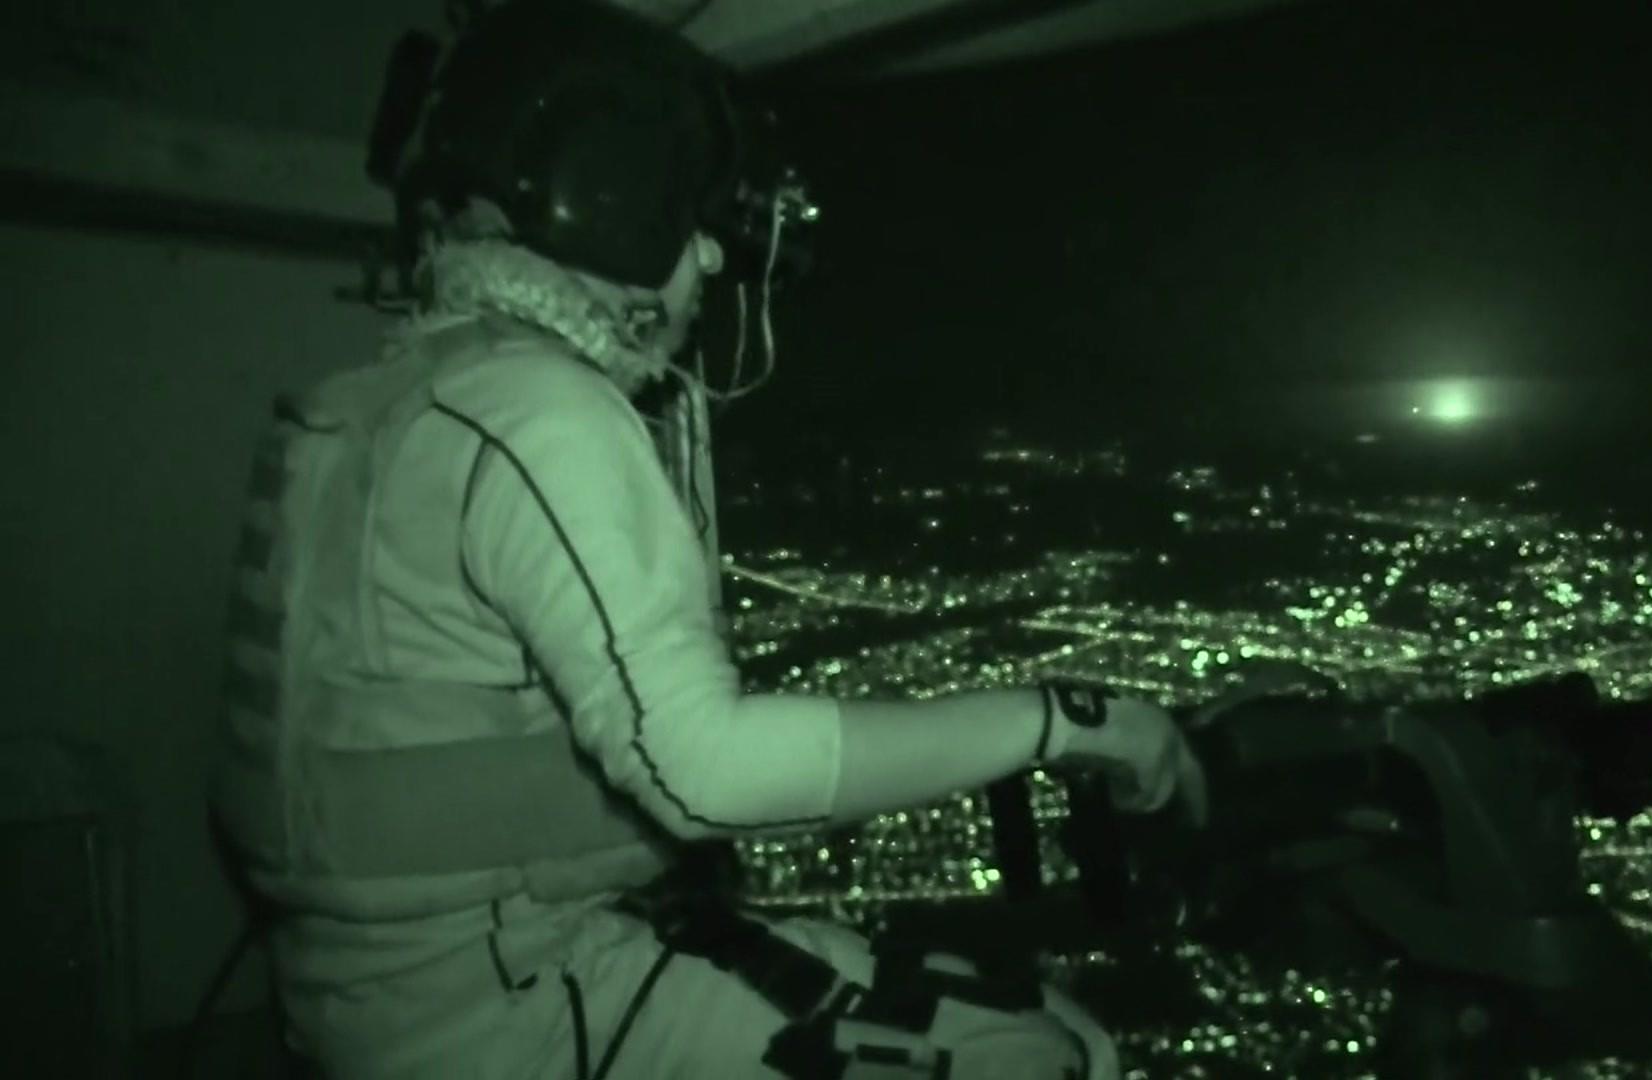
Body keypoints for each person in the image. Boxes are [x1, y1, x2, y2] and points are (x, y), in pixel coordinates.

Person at [209, 2, 1206, 1077]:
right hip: (496, 1010)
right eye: (691, 221)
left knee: (1013, 1017)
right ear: (610, 199)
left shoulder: (399, 392)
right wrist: (1075, 722)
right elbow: (707, 771)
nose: (712, 262)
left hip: (383, 988)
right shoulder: (536, 408)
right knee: (1055, 1059)